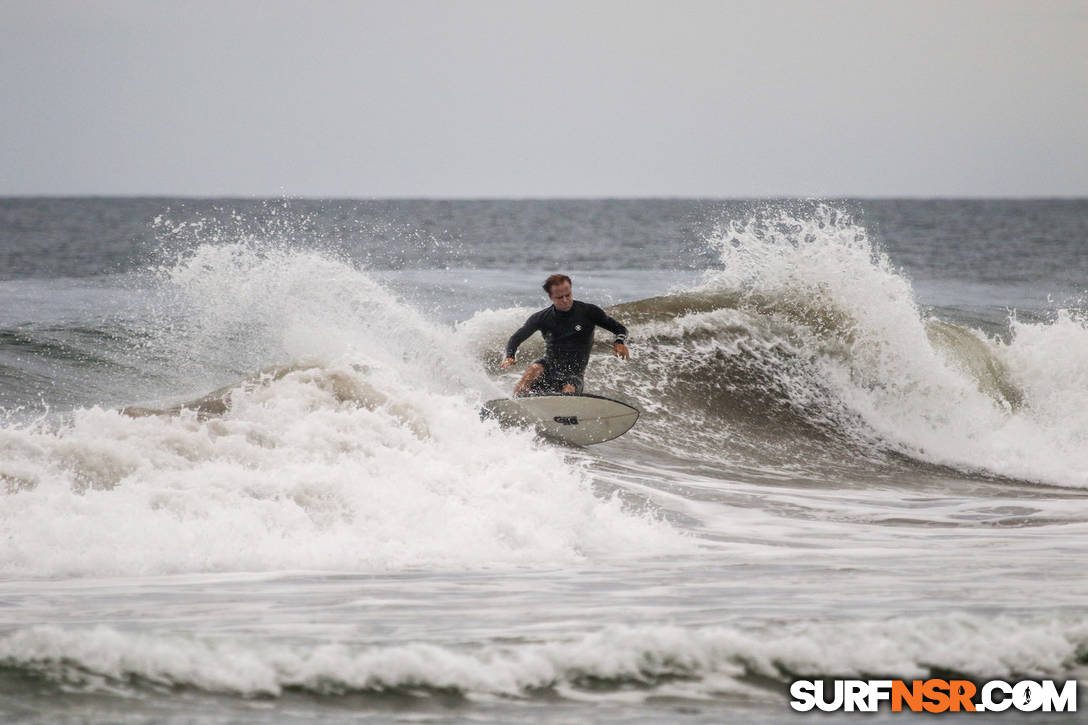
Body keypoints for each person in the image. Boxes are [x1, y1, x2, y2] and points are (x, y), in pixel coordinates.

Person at [501, 274, 630, 396]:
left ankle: (564, 415)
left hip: (574, 374)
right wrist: (510, 356)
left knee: (568, 390)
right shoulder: (541, 318)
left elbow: (620, 328)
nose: (565, 300)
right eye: (559, 297)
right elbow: (515, 339)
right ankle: (515, 404)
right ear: (551, 297)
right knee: (533, 370)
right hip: (548, 368)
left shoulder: (589, 312)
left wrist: (619, 342)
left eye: (568, 295)